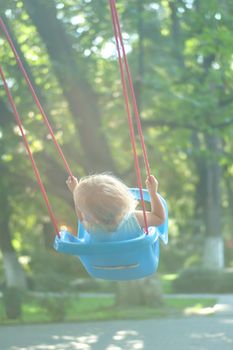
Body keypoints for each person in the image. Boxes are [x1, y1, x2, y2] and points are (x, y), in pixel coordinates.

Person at [66, 173, 165, 241]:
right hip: (138, 264)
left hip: (105, 268)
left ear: (89, 215)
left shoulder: (93, 228)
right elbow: (159, 218)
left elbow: (81, 218)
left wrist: (75, 192)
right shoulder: (134, 219)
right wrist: (153, 193)